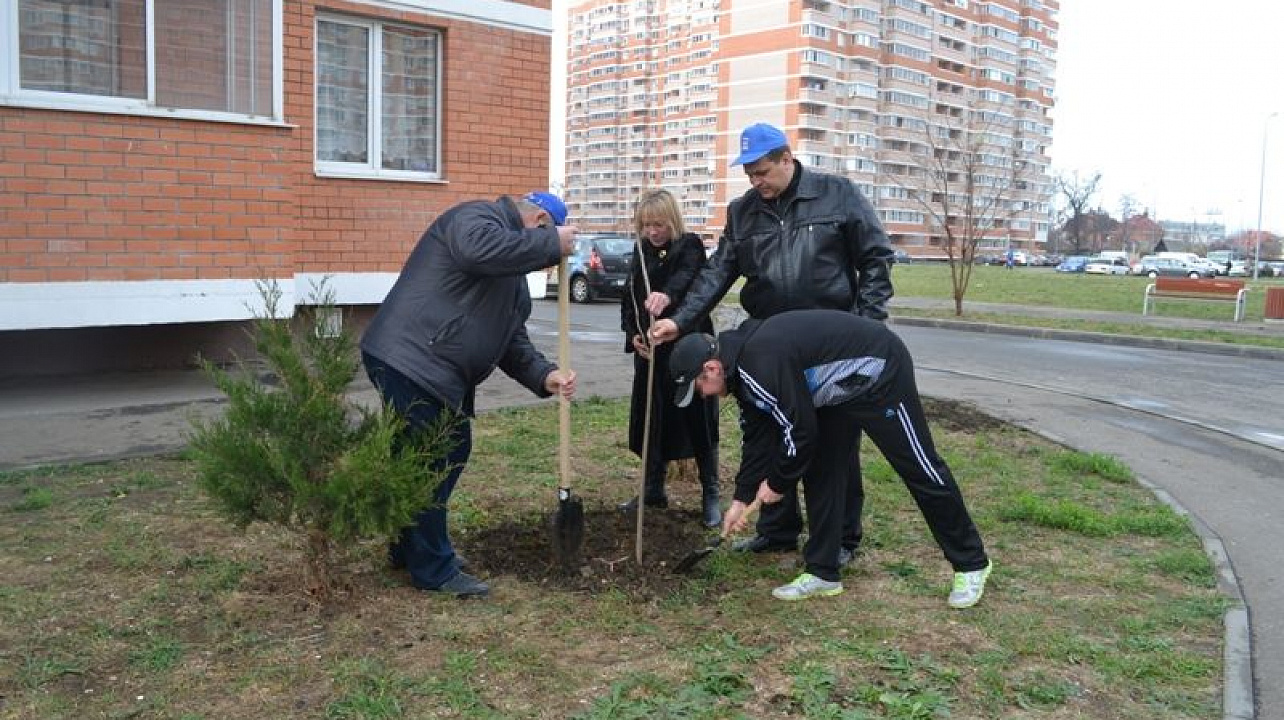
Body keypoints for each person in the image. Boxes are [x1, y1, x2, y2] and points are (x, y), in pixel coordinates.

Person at [650, 122, 894, 566]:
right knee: (765, 430)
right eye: (749, 175)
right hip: (766, 342)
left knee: (831, 441)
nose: (756, 182)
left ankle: (840, 538)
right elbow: (717, 272)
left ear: (786, 159)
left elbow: (876, 258)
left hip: (829, 345)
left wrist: (868, 328)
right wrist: (679, 322)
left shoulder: (837, 194)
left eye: (762, 172)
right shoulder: (743, 212)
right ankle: (776, 529)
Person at [668, 310, 992, 607]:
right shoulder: (740, 371)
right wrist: (742, 498)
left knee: (918, 465)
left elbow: (799, 432)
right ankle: (823, 572)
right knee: (822, 470)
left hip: (877, 369)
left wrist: (778, 483)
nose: (704, 395)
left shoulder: (759, 364)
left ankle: (972, 563)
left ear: (711, 368)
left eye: (700, 387)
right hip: (832, 389)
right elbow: (759, 436)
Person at [360, 191, 578, 598]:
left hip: (433, 370)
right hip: (411, 357)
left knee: (443, 453)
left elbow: (512, 342)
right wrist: (553, 244)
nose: (547, 265)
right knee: (432, 460)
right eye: (550, 254)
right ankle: (434, 569)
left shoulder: (511, 281)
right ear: (539, 223)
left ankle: (410, 547)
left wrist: (545, 375)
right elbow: (480, 251)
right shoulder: (477, 219)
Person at [618, 189, 721, 527]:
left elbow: (688, 279)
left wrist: (668, 296)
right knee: (651, 418)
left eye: (659, 225)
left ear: (672, 220)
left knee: (697, 420)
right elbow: (630, 296)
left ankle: (711, 493)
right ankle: (653, 488)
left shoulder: (689, 245)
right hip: (651, 353)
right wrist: (633, 333)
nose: (652, 232)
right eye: (646, 226)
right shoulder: (641, 250)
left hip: (687, 350)